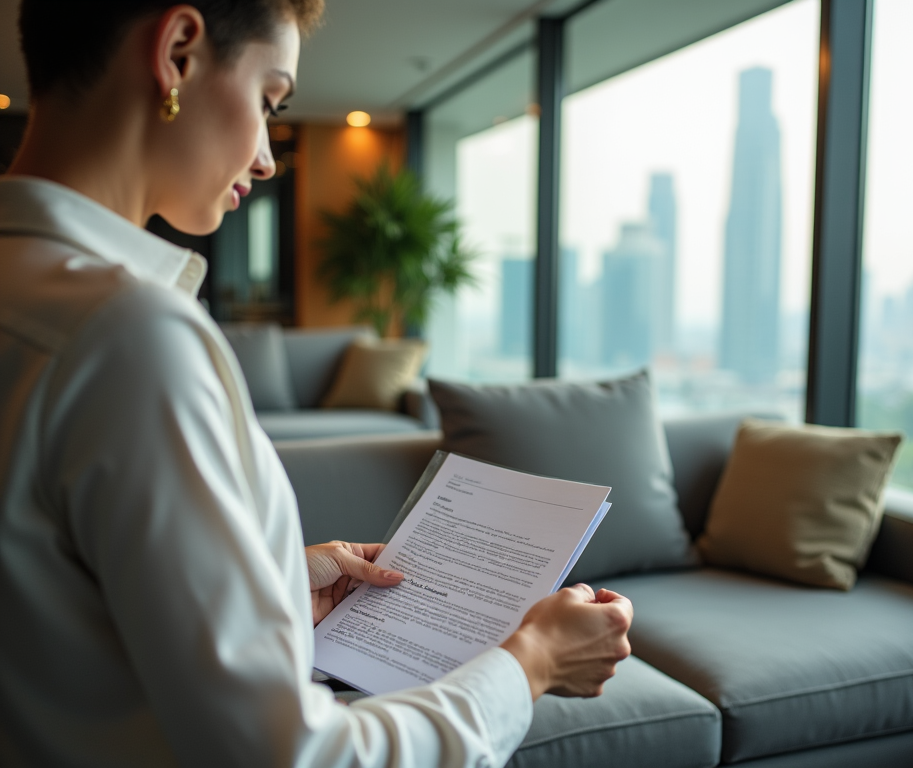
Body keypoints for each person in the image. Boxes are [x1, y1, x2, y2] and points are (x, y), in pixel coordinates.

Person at [0, 1, 633, 766]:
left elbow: (57, 618)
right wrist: (530, 663)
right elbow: (289, 757)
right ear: (177, 52)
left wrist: (269, 586)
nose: (267, 159)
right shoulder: (127, 338)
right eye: (270, 100)